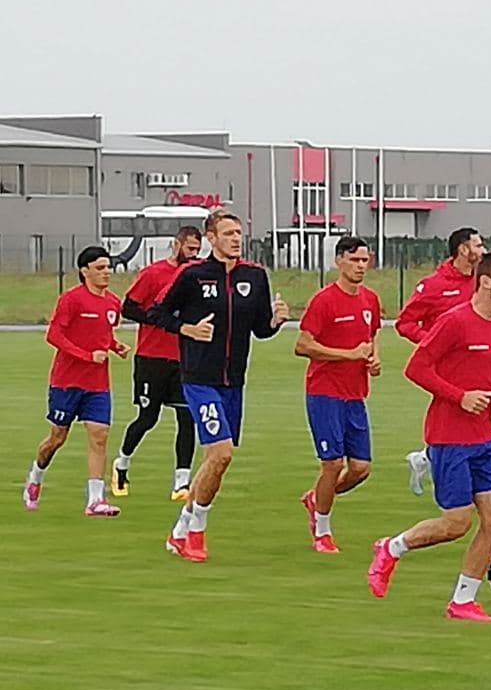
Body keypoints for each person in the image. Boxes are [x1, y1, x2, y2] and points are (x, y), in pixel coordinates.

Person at [366, 254, 491, 622]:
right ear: (486, 281)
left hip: (485, 438)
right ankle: (392, 547)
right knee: (456, 524)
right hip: (449, 437)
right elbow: (416, 368)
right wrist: (459, 396)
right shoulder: (454, 322)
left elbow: (486, 381)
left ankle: (463, 600)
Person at [152, 211, 290, 561]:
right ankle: (197, 532)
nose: (235, 239)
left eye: (239, 233)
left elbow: (260, 328)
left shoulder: (254, 276)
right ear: (211, 237)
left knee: (216, 460)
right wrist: (188, 329)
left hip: (234, 381)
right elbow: (158, 313)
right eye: (227, 233)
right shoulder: (193, 276)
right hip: (199, 380)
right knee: (221, 453)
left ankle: (180, 529)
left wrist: (275, 321)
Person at [294, 235, 383, 554]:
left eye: (365, 260)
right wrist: (349, 354)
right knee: (331, 465)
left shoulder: (370, 299)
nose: (361, 266)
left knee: (361, 468)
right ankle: (323, 531)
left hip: (355, 394)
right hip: (324, 394)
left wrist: (373, 359)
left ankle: (316, 498)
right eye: (355, 260)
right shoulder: (325, 300)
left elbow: (372, 338)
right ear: (339, 261)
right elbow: (302, 345)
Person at [26, 246, 129, 517]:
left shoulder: (113, 303)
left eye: (108, 267)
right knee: (57, 438)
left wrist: (115, 346)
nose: (106, 272)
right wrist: (86, 355)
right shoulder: (71, 300)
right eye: (100, 268)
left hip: (98, 384)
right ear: (85, 272)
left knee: (100, 436)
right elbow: (54, 336)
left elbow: (102, 336)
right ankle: (35, 477)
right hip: (67, 382)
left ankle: (95, 500)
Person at [113, 226, 202, 501]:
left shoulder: (196, 276)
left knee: (187, 418)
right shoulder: (153, 274)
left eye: (198, 250)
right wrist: (158, 318)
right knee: (148, 418)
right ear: (176, 245)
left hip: (184, 358)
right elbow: (128, 307)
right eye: (190, 248)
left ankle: (181, 482)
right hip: (152, 358)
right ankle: (122, 464)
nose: (194, 254)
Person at [396, 226, 485, 495]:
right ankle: (439, 463)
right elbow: (405, 322)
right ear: (463, 249)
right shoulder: (434, 285)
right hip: (444, 366)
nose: (483, 251)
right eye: (478, 245)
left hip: (475, 361)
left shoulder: (483, 281)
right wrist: (432, 342)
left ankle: (425, 458)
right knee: (458, 410)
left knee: (473, 413)